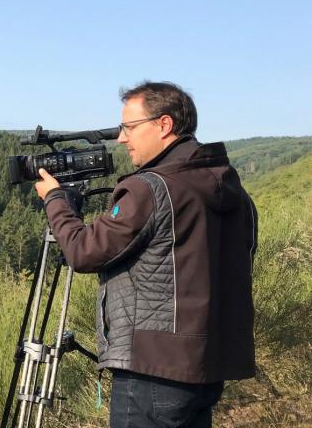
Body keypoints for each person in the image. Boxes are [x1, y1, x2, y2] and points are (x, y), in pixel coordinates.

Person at [34, 81, 258, 427]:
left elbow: (82, 252)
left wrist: (55, 200)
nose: (122, 138)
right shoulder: (235, 192)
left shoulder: (150, 189)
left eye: (129, 127)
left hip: (152, 370)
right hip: (208, 366)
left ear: (164, 125)